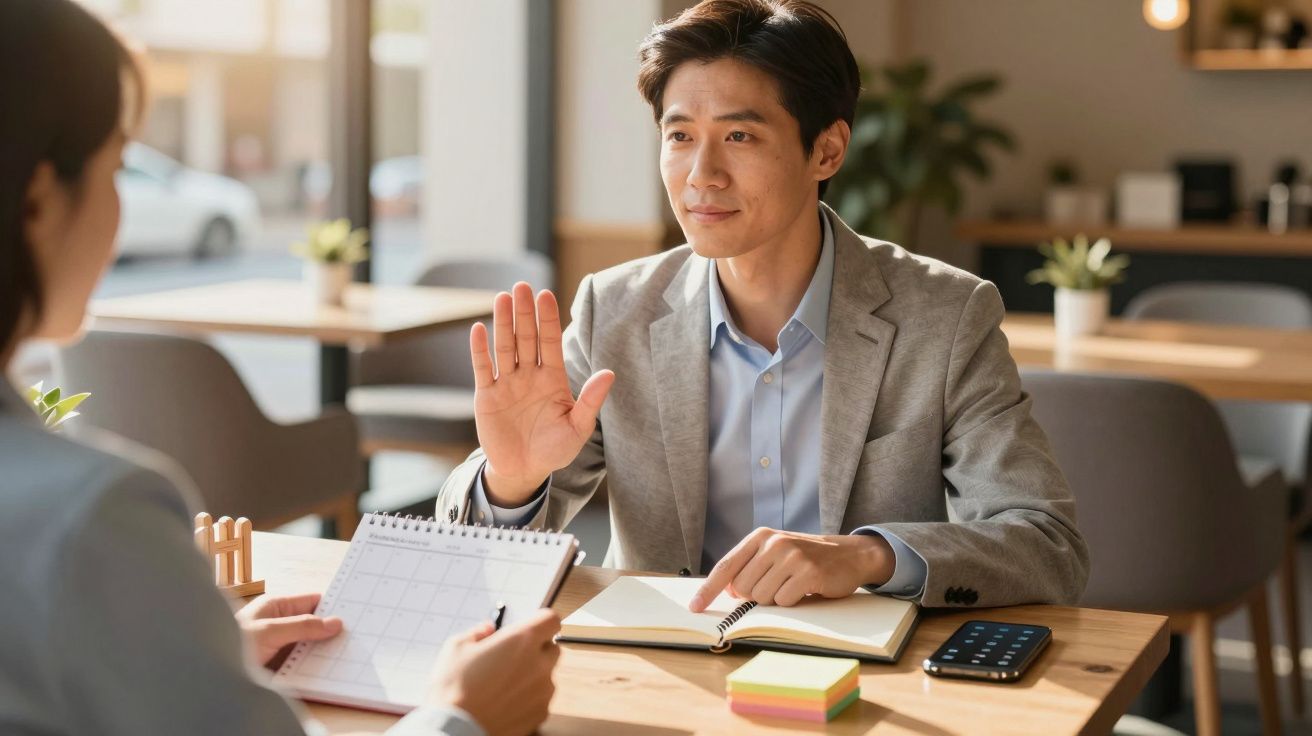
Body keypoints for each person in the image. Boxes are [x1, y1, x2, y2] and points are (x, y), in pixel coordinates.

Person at [0, 2, 558, 735]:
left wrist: (200, 655)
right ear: (41, 200)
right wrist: (459, 716)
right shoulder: (97, 518)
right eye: (114, 168)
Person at [438, 0, 1089, 611]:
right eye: (680, 136)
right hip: (664, 672)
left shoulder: (944, 316)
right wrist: (512, 480)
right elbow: (466, 554)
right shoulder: (615, 311)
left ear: (827, 149)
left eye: (740, 137)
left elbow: (1045, 544)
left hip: (861, 682)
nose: (702, 175)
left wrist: (864, 556)